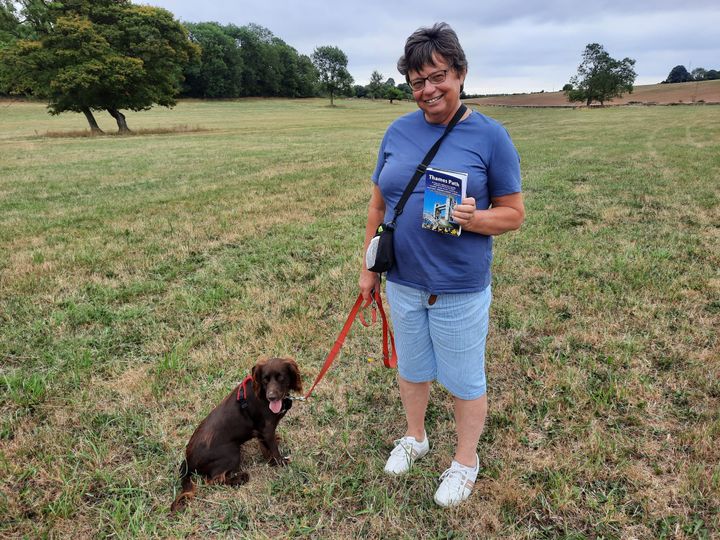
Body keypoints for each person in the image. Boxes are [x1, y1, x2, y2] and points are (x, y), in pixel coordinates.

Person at [359, 22, 524, 507]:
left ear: (461, 74)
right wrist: (369, 268)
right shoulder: (397, 130)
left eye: (438, 76)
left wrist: (475, 219)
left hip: (458, 286)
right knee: (412, 369)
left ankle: (465, 462)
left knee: (464, 379)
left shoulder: (491, 136)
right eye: (417, 81)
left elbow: (513, 214)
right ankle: (416, 437)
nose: (428, 90)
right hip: (403, 280)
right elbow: (377, 206)